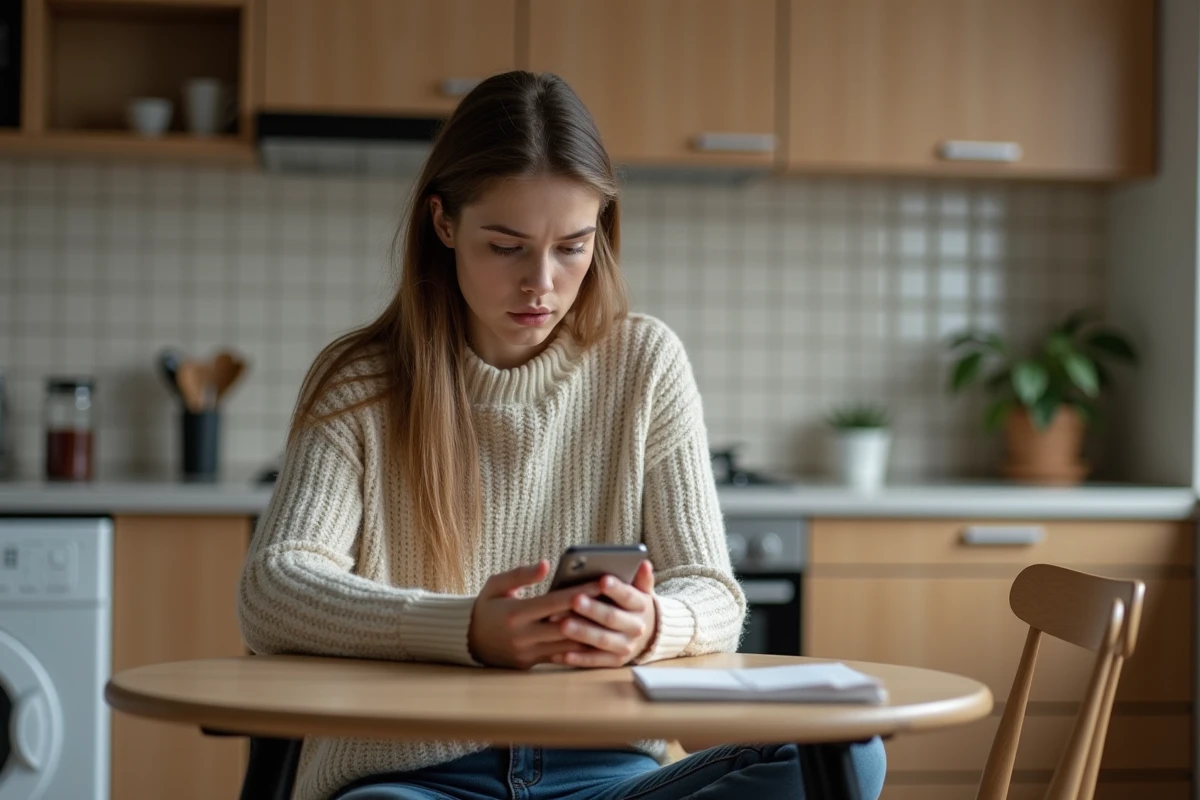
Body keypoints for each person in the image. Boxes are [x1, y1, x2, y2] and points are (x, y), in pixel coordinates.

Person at [237, 70, 886, 800]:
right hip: (416, 780)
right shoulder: (362, 381)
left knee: (847, 756)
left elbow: (713, 592)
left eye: (572, 246)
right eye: (506, 246)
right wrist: (464, 630)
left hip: (604, 776)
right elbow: (272, 589)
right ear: (443, 224)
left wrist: (652, 625)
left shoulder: (644, 362)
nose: (540, 283)